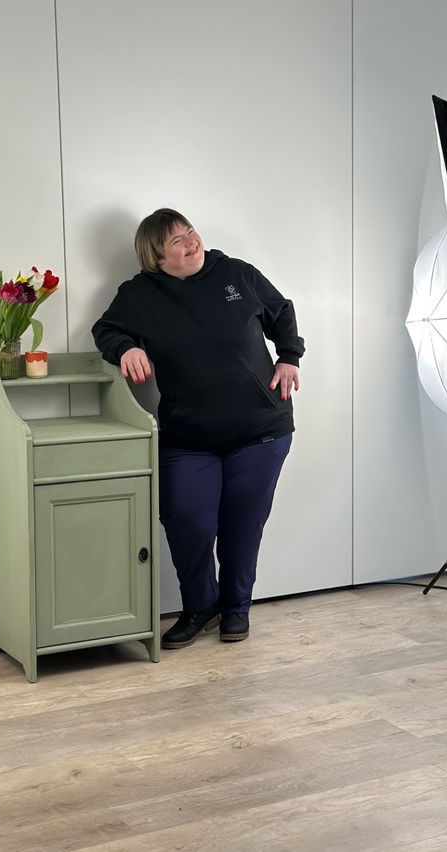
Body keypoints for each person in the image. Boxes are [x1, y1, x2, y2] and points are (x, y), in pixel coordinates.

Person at [92, 209, 304, 648]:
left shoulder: (237, 275)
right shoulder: (140, 296)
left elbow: (281, 311)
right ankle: (200, 607)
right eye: (176, 241)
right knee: (185, 518)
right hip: (187, 437)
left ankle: (236, 609)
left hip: (260, 428)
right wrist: (126, 347)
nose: (191, 242)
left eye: (190, 232)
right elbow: (105, 329)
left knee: (242, 525)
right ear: (156, 257)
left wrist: (288, 356)